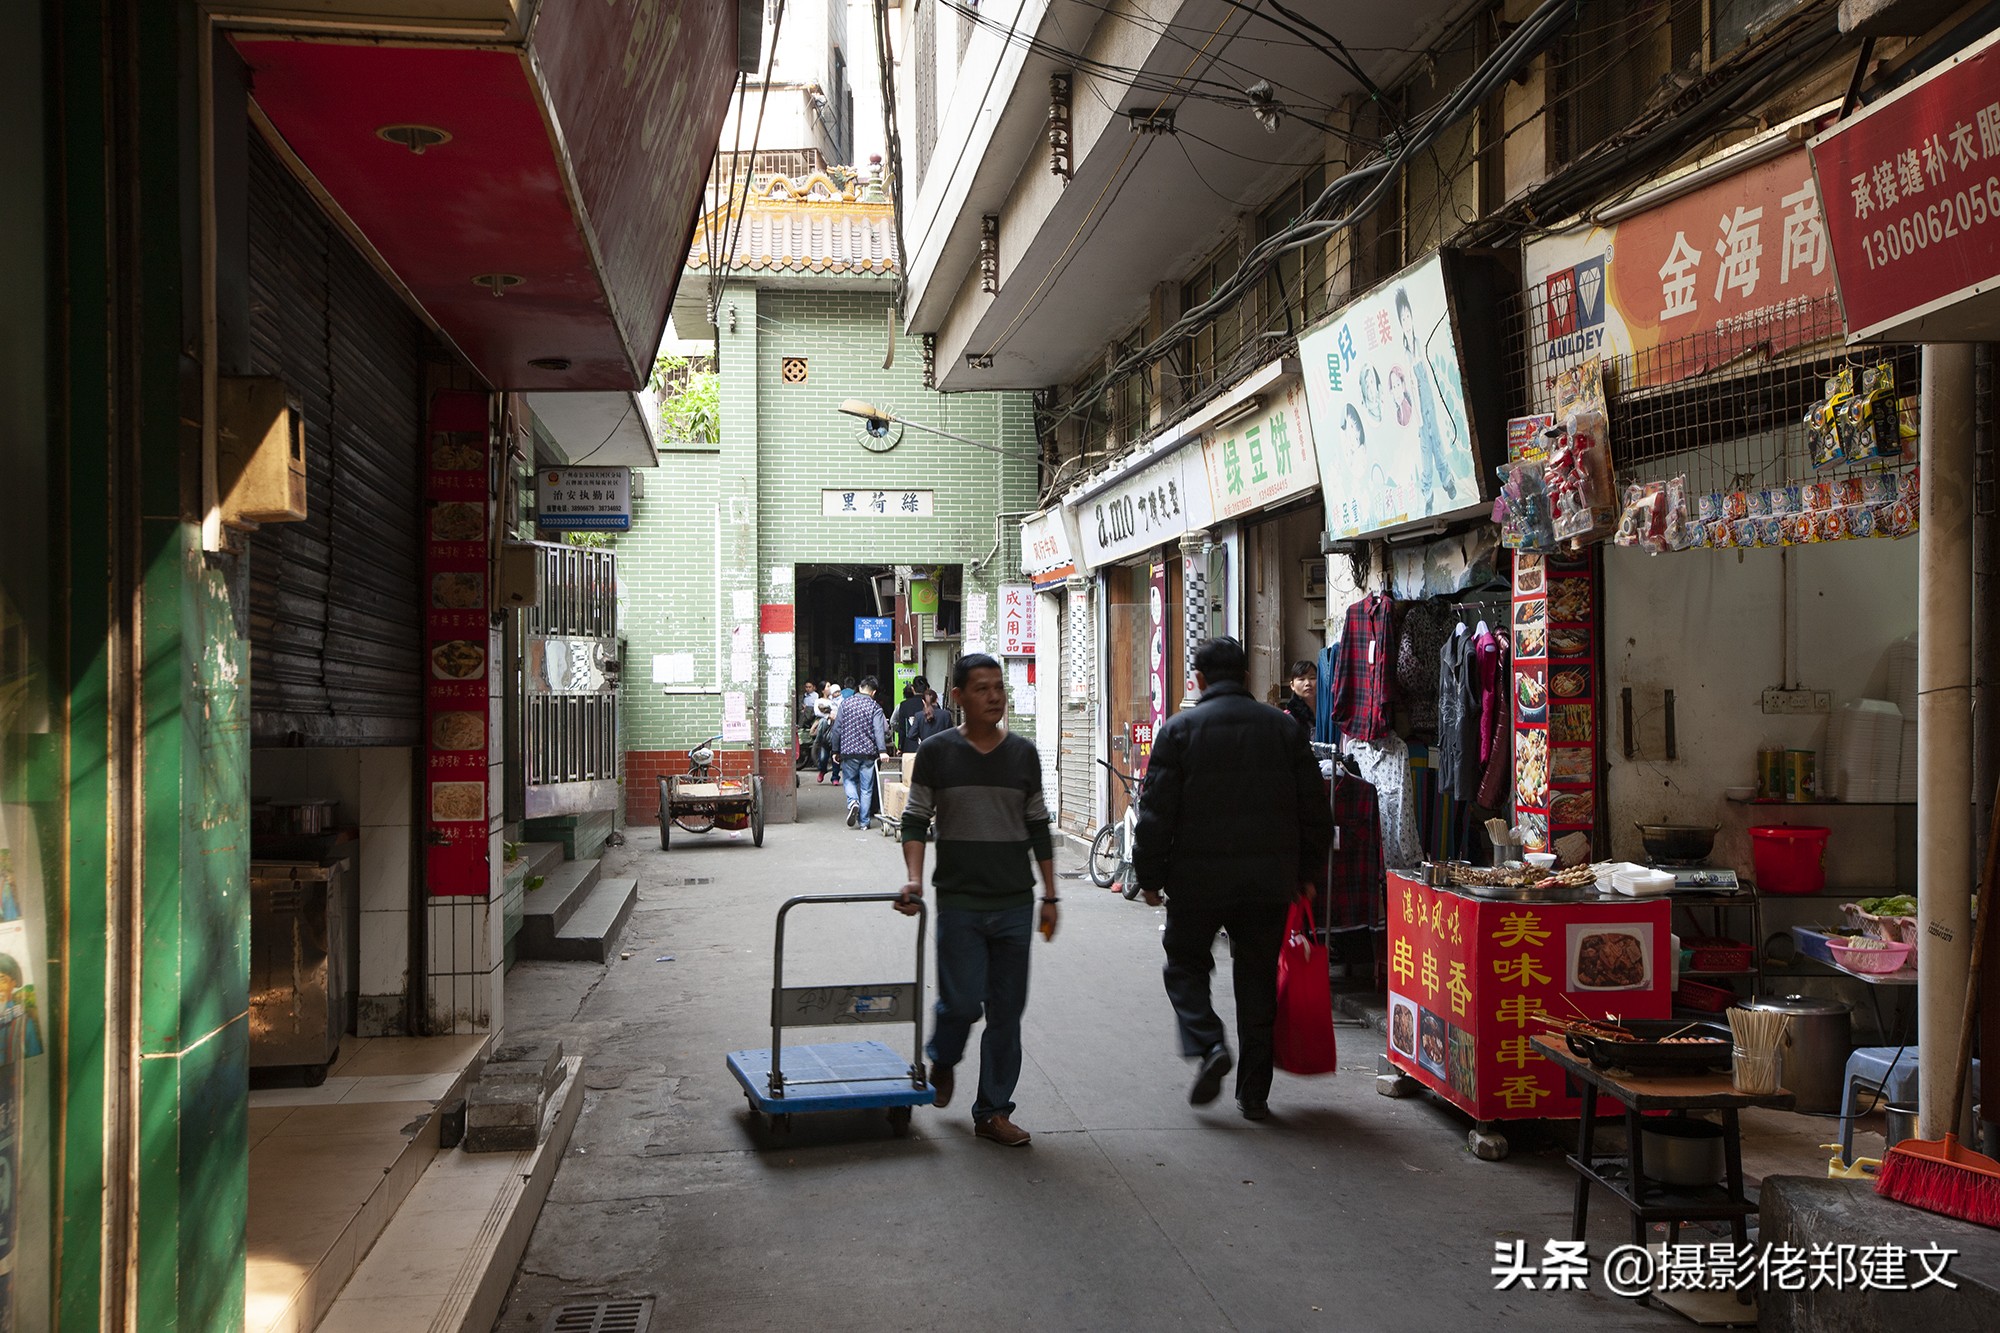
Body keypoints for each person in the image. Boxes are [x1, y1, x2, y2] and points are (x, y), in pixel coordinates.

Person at [1132, 636, 1333, 1120]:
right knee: (1258, 978)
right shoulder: (1283, 729)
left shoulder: (1178, 731)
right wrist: (1307, 873)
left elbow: (1155, 814)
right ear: (1246, 677)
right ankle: (1254, 1093)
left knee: (1185, 964)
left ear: (1199, 680)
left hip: (1197, 881)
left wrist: (1150, 877)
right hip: (1268, 882)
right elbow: (1315, 810)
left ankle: (1208, 1043)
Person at [896, 654, 1057, 1147]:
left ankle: (992, 1112)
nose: (994, 697)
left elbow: (1037, 825)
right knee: (962, 1003)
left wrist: (1051, 895)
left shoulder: (1023, 754)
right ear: (959, 696)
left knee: (1007, 1012)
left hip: (1014, 903)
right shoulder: (937, 752)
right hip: (960, 901)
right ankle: (943, 1058)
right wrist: (914, 879)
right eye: (982, 688)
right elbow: (915, 818)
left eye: (999, 688)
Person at [834, 675, 889, 830]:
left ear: (859, 688)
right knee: (866, 788)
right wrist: (882, 750)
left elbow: (837, 729)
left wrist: (835, 750)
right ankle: (864, 822)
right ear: (873, 692)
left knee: (849, 781)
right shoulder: (875, 707)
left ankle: (853, 801)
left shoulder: (845, 704)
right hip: (868, 753)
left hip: (848, 751)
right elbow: (879, 730)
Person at [889, 675, 931, 753]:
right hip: (929, 746)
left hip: (909, 746)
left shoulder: (904, 705)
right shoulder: (932, 705)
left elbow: (902, 729)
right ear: (927, 689)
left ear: (913, 688)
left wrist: (900, 746)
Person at [1281, 659, 1317, 734]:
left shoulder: (1329, 709)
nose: (1307, 683)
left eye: (1312, 678)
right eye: (1301, 679)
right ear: (1292, 685)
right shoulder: (1289, 717)